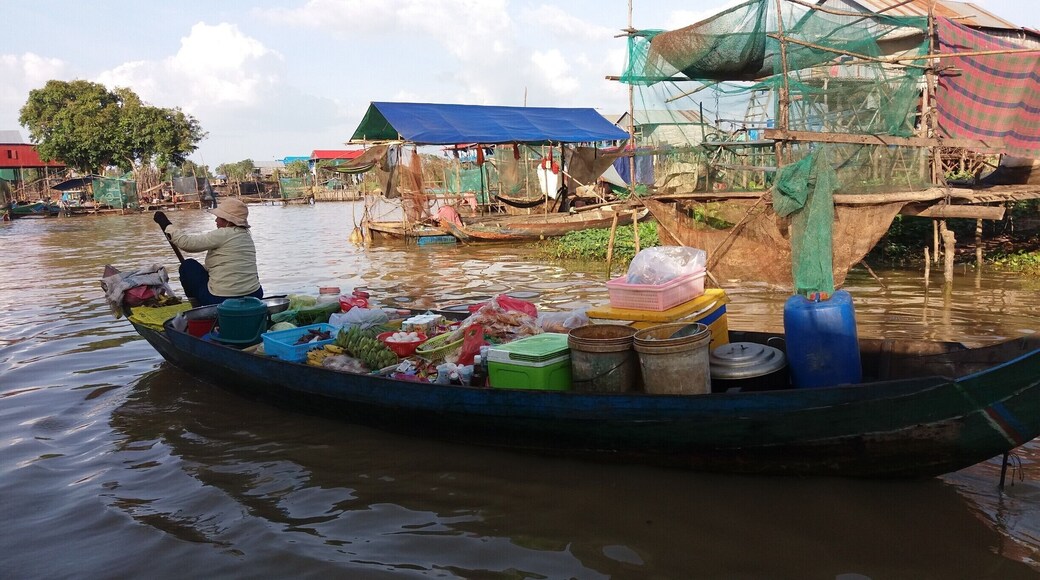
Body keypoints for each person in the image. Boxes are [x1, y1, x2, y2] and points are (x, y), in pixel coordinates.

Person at [153, 198, 263, 306]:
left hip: (221, 299)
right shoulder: (246, 236)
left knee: (188, 266)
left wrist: (166, 224)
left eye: (219, 217)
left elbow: (187, 243)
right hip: (255, 295)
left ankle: (197, 308)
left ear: (228, 221)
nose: (216, 221)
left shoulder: (223, 234)